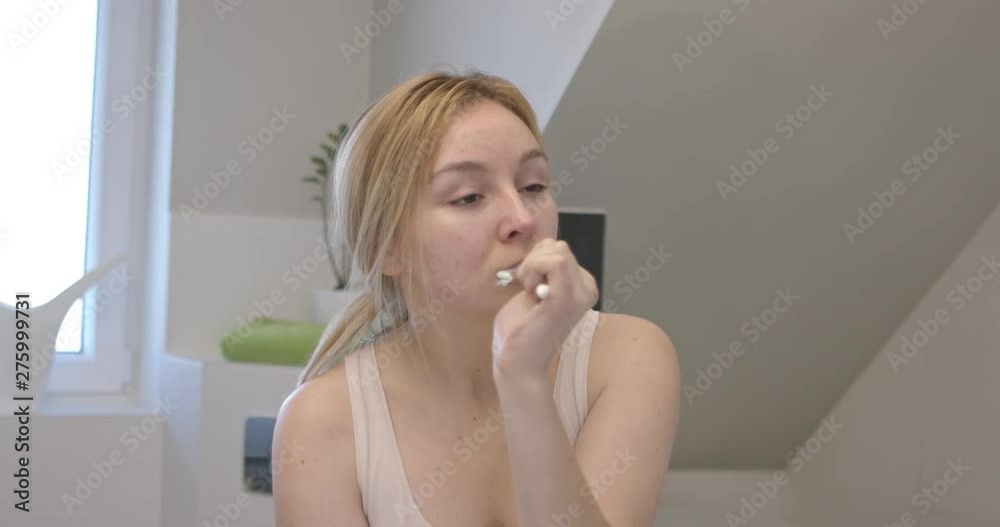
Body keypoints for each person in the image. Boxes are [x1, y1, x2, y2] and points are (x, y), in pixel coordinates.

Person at [272, 68, 680, 527]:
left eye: (533, 186)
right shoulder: (319, 424)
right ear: (384, 249)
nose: (522, 219)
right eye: (468, 197)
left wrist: (523, 380)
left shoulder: (627, 357)